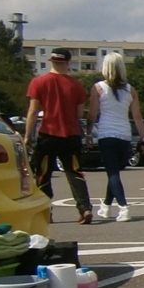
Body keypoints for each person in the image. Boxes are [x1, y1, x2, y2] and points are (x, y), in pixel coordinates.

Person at [23, 48, 94, 224]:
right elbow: (79, 114)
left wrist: (27, 136)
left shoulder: (38, 82)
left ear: (52, 61)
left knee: (43, 174)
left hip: (48, 133)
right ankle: (85, 208)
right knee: (75, 172)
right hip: (71, 134)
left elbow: (33, 111)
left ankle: (46, 211)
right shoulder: (76, 85)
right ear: (68, 63)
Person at [86, 52, 144, 222]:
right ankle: (106, 206)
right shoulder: (130, 90)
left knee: (112, 173)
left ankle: (123, 207)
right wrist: (143, 138)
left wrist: (88, 132)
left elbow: (92, 114)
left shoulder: (98, 88)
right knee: (114, 173)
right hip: (124, 135)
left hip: (106, 134)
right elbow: (137, 116)